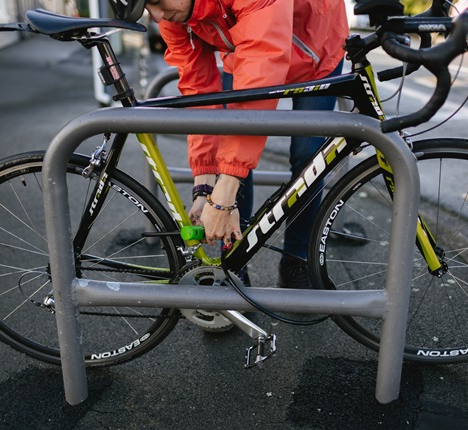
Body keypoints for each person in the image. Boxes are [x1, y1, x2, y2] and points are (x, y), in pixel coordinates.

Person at [146, 0, 349, 288]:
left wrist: (223, 197)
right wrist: (204, 185)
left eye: (155, 0)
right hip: (246, 47)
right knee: (232, 147)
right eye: (146, 6)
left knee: (308, 158)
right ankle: (235, 263)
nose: (156, 15)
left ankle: (297, 261)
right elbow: (197, 87)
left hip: (316, 46)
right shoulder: (173, 13)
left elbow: (263, 64)